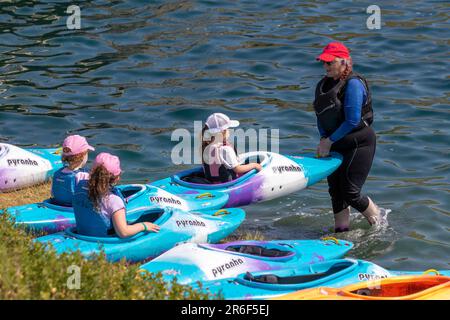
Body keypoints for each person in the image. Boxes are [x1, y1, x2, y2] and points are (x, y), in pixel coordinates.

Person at [313, 42, 381, 232]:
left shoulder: (353, 84)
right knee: (336, 192)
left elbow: (352, 120)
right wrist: (323, 139)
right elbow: (321, 115)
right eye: (323, 63)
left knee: (350, 193)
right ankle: (341, 232)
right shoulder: (323, 85)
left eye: (330, 63)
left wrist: (329, 141)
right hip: (334, 143)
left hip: (359, 143)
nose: (325, 67)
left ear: (344, 63)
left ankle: (379, 225)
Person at [72, 152, 160, 238]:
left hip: (82, 234)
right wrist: (143, 226)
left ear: (92, 172)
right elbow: (123, 233)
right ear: (117, 178)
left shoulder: (78, 182)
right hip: (103, 241)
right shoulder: (114, 201)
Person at [201, 113, 262, 183]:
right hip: (226, 184)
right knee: (254, 165)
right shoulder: (226, 150)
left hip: (211, 183)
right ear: (222, 132)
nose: (229, 131)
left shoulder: (205, 147)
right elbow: (238, 169)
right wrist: (254, 165)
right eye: (227, 129)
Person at [51, 135, 95, 206]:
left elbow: (52, 193)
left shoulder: (57, 173)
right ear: (82, 156)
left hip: (57, 204)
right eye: (87, 152)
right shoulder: (83, 176)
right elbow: (90, 197)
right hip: (73, 208)